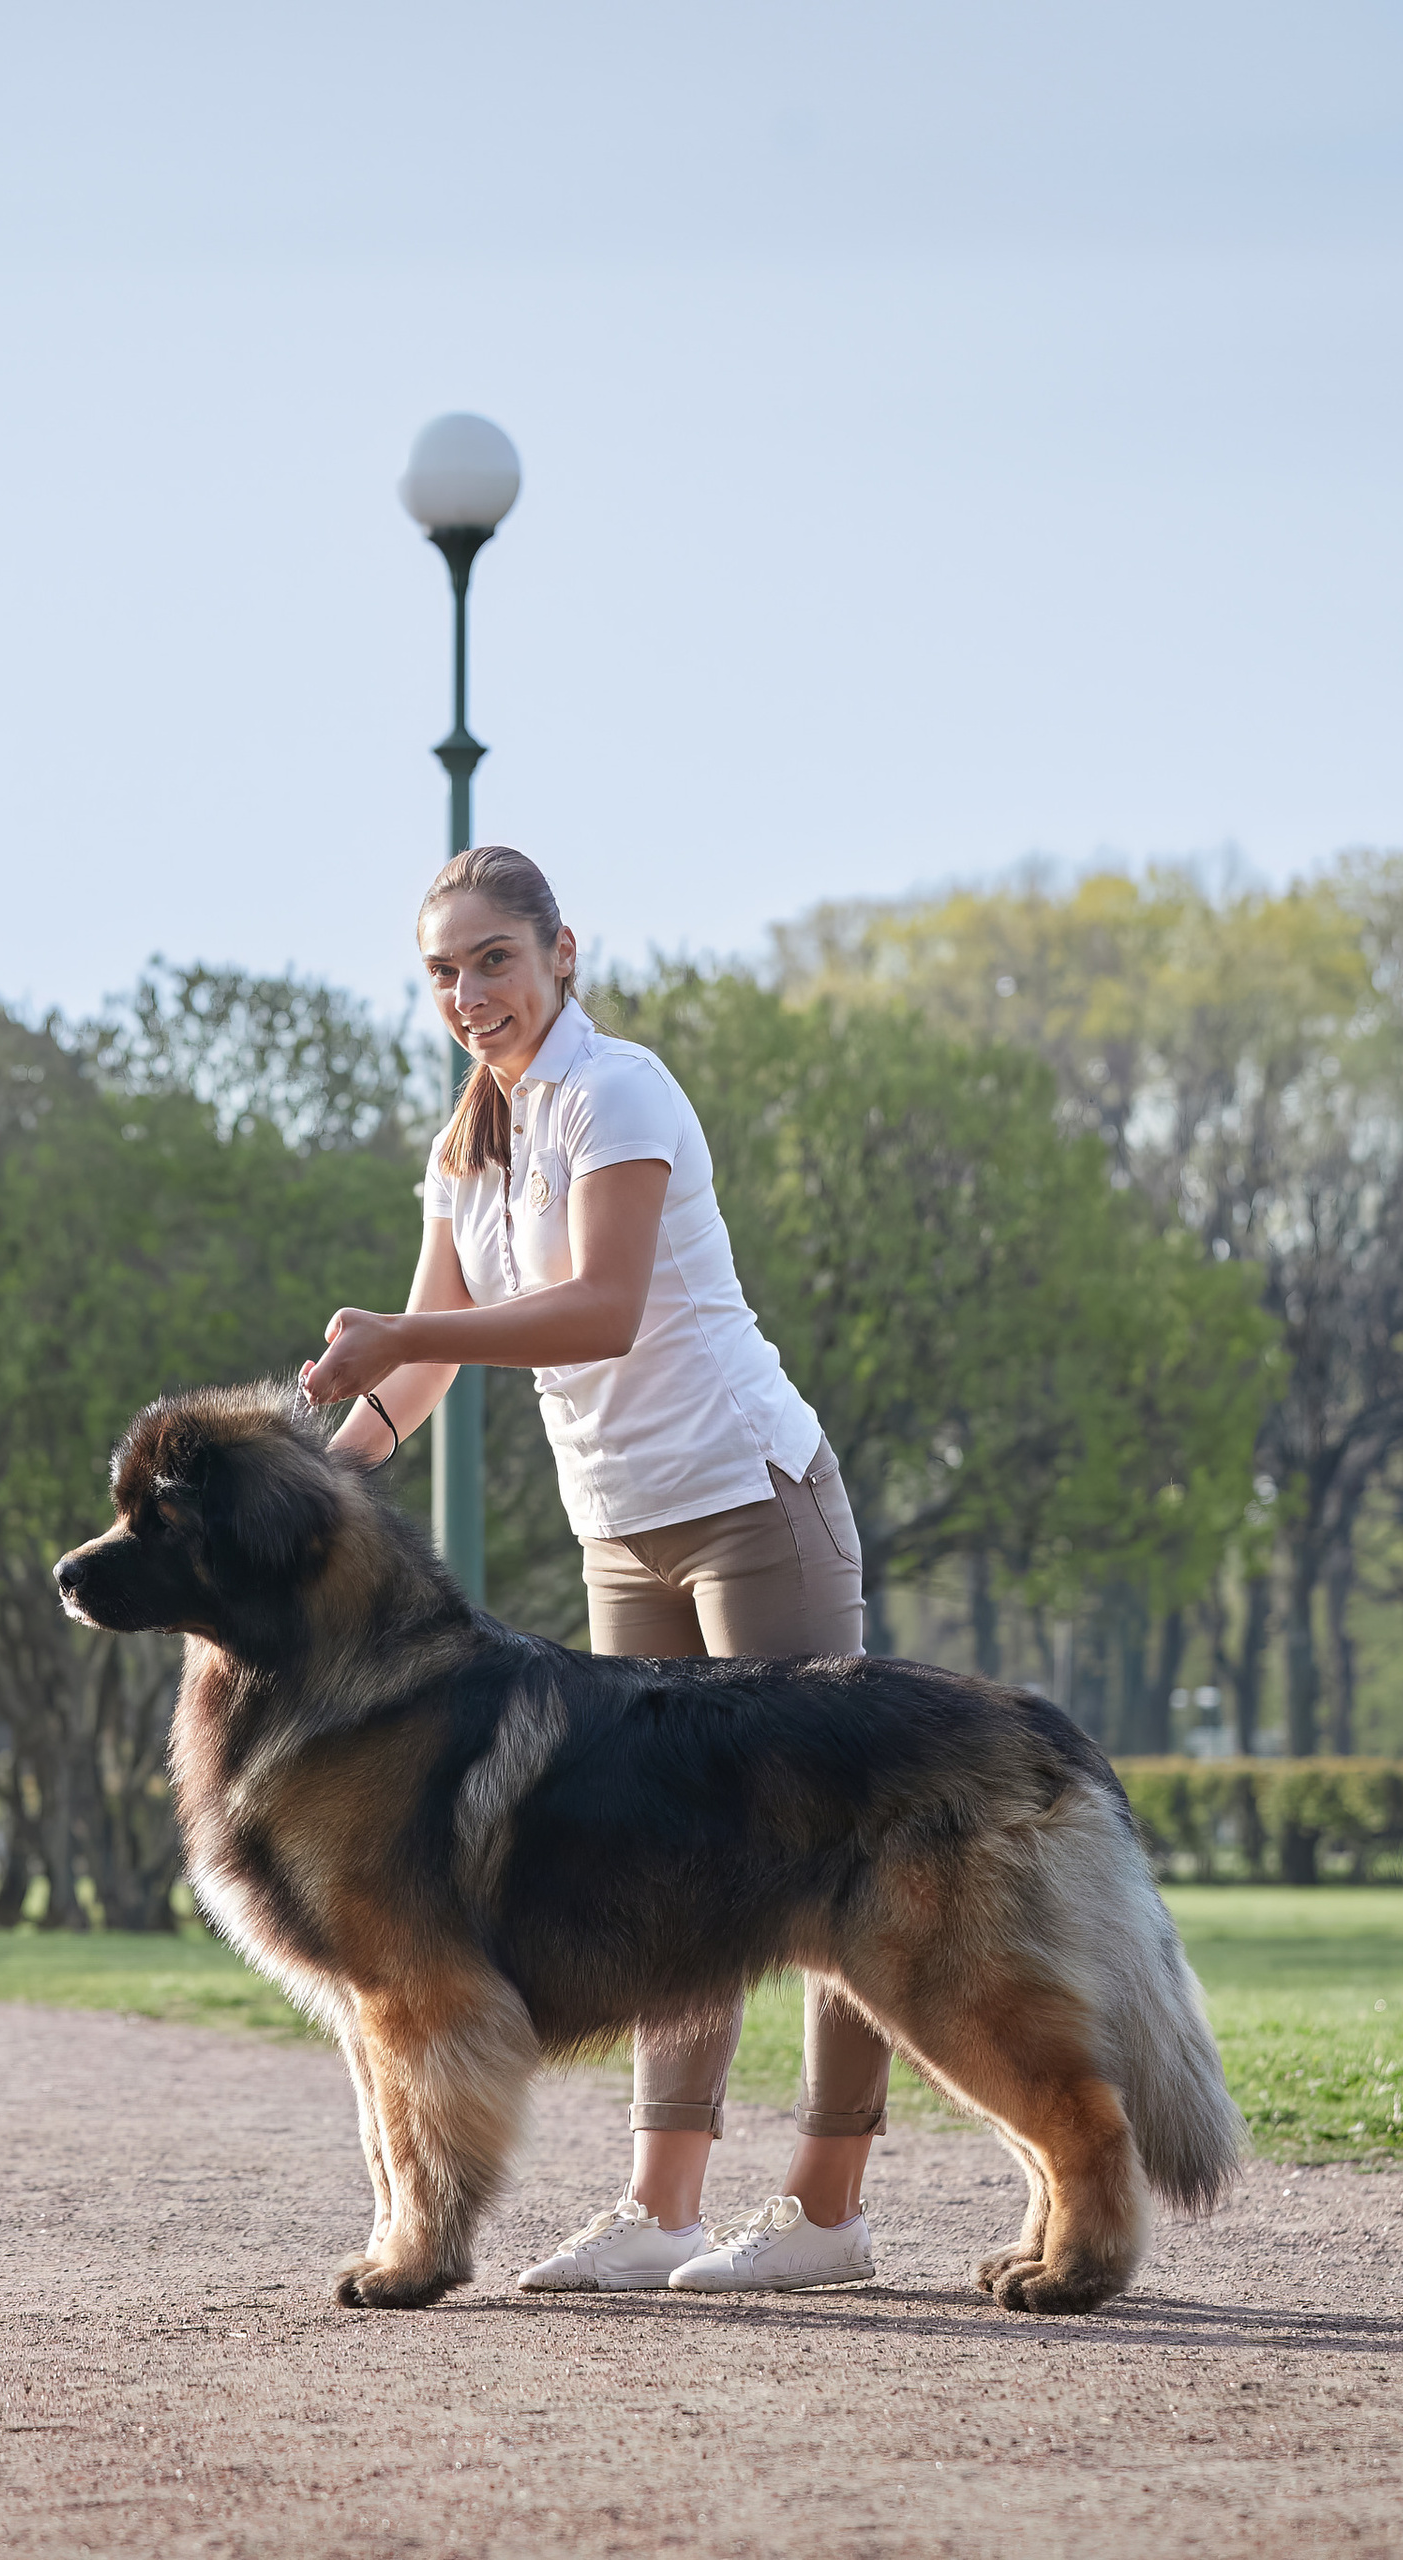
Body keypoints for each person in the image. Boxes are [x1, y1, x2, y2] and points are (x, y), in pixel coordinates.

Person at [299, 844, 884, 2295]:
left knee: (837, 1851)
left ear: (563, 953)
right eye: (443, 971)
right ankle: (664, 2209)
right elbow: (417, 1374)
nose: (469, 992)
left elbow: (605, 1311)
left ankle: (826, 2213)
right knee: (672, 1870)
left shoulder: (621, 1091)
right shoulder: (463, 1149)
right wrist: (326, 1472)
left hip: (753, 1498)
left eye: (494, 957)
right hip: (620, 1530)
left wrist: (405, 1340)